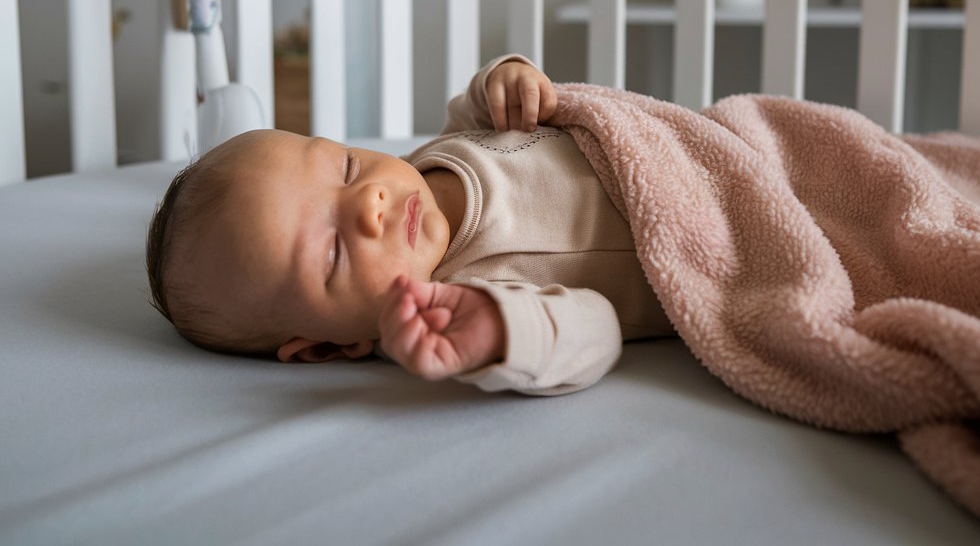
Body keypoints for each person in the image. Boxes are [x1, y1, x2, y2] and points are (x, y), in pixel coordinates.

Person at [146, 56, 674, 396]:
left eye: (345, 166)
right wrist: (501, 331)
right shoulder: (464, 300)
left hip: (687, 150)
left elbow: (477, 119)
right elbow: (596, 332)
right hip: (704, 236)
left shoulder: (422, 162)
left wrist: (502, 81)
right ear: (327, 348)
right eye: (333, 254)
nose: (369, 204)